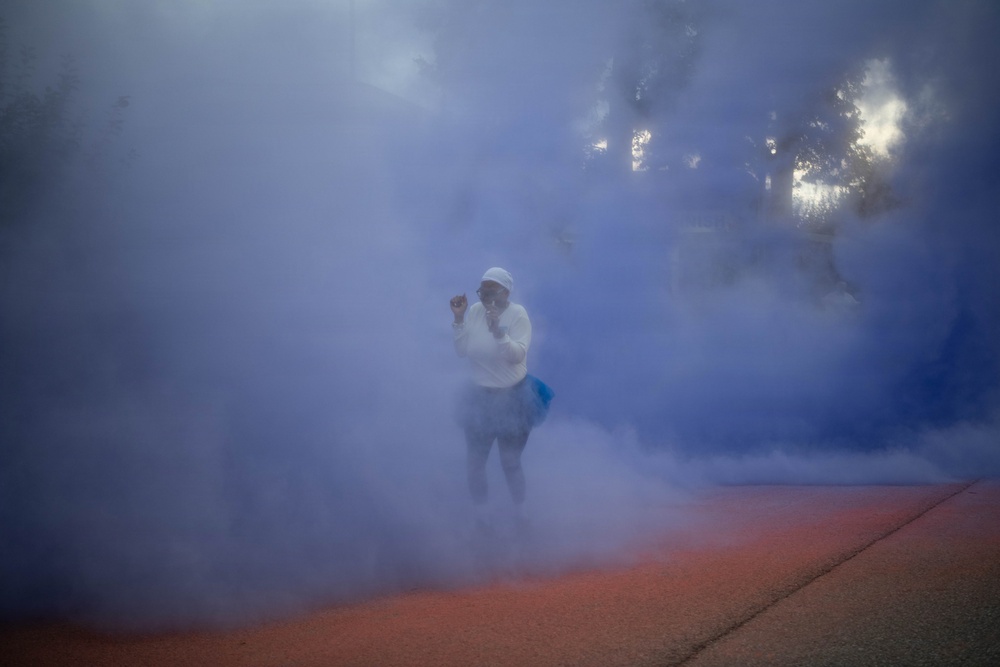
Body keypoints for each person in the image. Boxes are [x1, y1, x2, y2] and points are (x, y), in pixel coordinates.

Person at [450, 267, 535, 518]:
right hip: (480, 399)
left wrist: (499, 331)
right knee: (476, 463)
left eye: (491, 289)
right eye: (482, 289)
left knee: (510, 462)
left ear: (506, 292)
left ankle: (521, 517)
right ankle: (482, 521)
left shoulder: (518, 314)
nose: (485, 294)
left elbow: (517, 355)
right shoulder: (475, 312)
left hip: (513, 398)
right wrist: (458, 318)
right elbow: (462, 351)